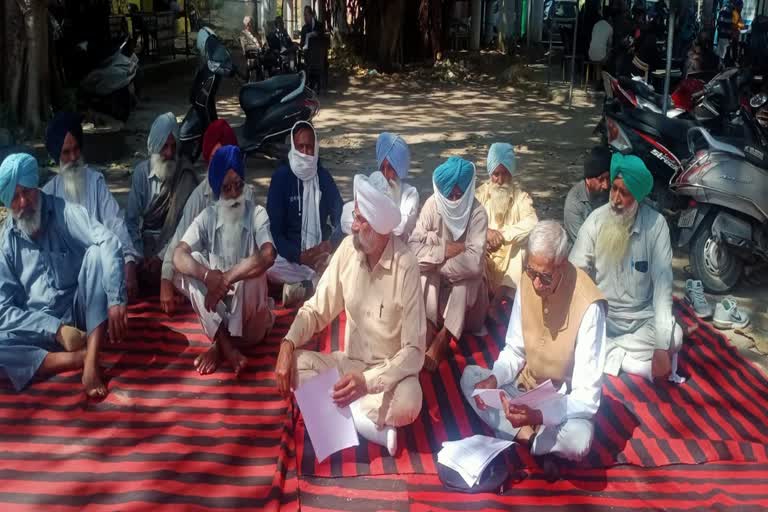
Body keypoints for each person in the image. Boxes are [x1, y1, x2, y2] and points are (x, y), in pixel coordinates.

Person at [275, 173, 425, 456]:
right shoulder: (348, 250)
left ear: (380, 227)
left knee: (410, 402)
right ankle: (370, 425)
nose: (353, 226)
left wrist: (367, 383)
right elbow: (317, 308)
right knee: (295, 364)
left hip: (387, 376)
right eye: (355, 216)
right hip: (349, 366)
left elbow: (415, 352)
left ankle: (338, 413)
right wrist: (288, 343)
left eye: (360, 219)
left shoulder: (406, 266)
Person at [461, 221, 606, 473]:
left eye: (545, 277)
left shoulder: (589, 306)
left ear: (562, 265)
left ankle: (519, 433)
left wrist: (538, 416)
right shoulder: (527, 280)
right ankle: (532, 441)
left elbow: (587, 398)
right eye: (532, 273)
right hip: (523, 389)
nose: (536, 284)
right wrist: (495, 379)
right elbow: (515, 350)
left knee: (578, 440)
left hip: (562, 403)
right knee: (470, 378)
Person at [0, 154, 128, 398]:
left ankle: (91, 361)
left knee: (95, 254)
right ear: (7, 202)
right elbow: (3, 310)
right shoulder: (6, 241)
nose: (23, 202)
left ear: (36, 186)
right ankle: (72, 359)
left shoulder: (64, 212)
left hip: (80, 314)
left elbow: (109, 241)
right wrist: (56, 330)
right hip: (38, 329)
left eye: (27, 191)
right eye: (14, 198)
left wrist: (116, 299)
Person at [570, 153, 685, 384]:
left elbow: (663, 288)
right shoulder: (596, 220)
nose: (615, 199)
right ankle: (630, 364)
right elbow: (575, 274)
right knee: (567, 336)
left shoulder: (656, 226)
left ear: (639, 197)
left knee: (674, 338)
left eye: (625, 193)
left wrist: (661, 349)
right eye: (614, 189)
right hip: (602, 317)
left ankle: (606, 356)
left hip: (641, 322)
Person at [173, 146, 276, 376]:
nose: (233, 195)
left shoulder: (257, 213)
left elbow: (269, 254)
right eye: (226, 188)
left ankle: (220, 348)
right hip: (220, 316)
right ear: (217, 190)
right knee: (191, 264)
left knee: (254, 267)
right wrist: (207, 276)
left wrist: (226, 278)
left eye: (238, 186)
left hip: (252, 326)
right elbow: (178, 255)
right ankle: (228, 347)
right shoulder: (207, 216)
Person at [159, 120, 255, 316]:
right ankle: (222, 333)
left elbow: (259, 252)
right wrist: (165, 282)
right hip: (209, 274)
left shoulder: (247, 194)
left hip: (239, 274)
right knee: (182, 267)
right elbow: (179, 242)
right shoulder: (200, 194)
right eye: (214, 160)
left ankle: (223, 325)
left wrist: (229, 277)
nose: (219, 168)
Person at [42, 112, 140, 301]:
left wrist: (129, 261)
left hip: (99, 274)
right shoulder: (47, 194)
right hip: (64, 282)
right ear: (56, 155)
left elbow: (115, 222)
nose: (73, 157)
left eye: (76, 149)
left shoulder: (95, 182)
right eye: (66, 152)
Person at [409, 156, 489, 372]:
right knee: (426, 267)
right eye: (449, 195)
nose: (454, 200)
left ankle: (444, 338)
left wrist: (436, 263)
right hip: (435, 294)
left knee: (469, 278)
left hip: (469, 308)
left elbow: (473, 264)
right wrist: (444, 250)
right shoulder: (432, 205)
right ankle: (427, 327)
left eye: (459, 195)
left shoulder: (478, 214)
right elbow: (412, 251)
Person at [266, 121, 343, 307]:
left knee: (348, 258)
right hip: (290, 258)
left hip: (320, 255)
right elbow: (274, 231)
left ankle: (305, 288)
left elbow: (342, 216)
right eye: (301, 147)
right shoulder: (281, 178)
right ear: (293, 148)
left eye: (310, 147)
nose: (306, 153)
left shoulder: (323, 177)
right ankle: (317, 285)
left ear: (316, 148)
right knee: (265, 265)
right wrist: (299, 256)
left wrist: (328, 245)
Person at [126, 112, 199, 294]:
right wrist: (139, 257)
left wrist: (161, 258)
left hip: (173, 247)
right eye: (164, 146)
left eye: (173, 146)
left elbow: (186, 227)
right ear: (154, 146)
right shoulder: (141, 174)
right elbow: (131, 222)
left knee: (192, 260)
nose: (169, 153)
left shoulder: (185, 176)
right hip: (145, 246)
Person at [475, 143, 537, 311]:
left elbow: (533, 223)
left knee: (522, 248)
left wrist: (502, 236)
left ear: (512, 173)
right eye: (496, 174)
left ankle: (498, 302)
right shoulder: (479, 195)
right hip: (486, 259)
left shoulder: (521, 198)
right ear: (490, 174)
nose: (500, 180)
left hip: (509, 262)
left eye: (505, 174)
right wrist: (485, 233)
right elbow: (466, 222)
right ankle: (482, 303)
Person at [340, 132, 419, 241]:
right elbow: (346, 218)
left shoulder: (410, 194)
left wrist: (367, 224)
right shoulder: (373, 184)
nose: (386, 174)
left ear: (400, 168)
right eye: (382, 167)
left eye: (391, 168)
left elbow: (400, 228)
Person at [563, 146, 611, 245]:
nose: (606, 185)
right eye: (601, 179)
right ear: (588, 179)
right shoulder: (574, 202)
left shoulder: (614, 190)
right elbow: (582, 245)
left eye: (608, 178)